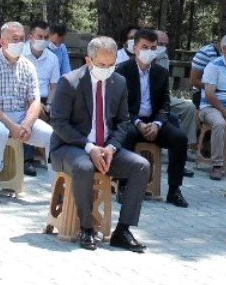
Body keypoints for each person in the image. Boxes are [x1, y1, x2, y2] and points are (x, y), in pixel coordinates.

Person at [49, 36, 152, 252]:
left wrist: (111, 148)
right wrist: (90, 148)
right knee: (84, 167)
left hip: (106, 148)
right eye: (101, 64)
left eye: (110, 64)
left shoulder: (119, 82)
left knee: (140, 166)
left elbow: (123, 121)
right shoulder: (70, 82)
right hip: (71, 147)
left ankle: (123, 230)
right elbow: (59, 123)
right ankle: (87, 228)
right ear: (88, 60)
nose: (106, 69)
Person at [0, 21, 54, 207]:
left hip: (21, 117)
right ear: (2, 41)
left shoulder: (28, 66)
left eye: (21, 39)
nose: (18, 43)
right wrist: (12, 126)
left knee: (51, 136)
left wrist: (26, 124)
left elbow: (35, 101)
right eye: (13, 39)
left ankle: (56, 188)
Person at [116, 28, 189, 207]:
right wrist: (138, 123)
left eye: (153, 47)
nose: (149, 51)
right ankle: (123, 186)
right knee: (128, 135)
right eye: (145, 47)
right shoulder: (123, 70)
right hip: (131, 120)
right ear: (135, 48)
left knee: (179, 139)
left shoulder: (161, 73)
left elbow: (165, 104)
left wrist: (157, 124)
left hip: (153, 122)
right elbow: (120, 106)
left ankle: (174, 190)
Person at [198, 33, 226, 180]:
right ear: (224, 49)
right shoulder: (213, 66)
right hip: (211, 107)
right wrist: (225, 112)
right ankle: (217, 165)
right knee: (220, 123)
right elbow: (210, 95)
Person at [23, 20, 61, 175]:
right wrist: (35, 105)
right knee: (30, 118)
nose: (43, 41)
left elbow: (54, 86)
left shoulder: (52, 58)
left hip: (46, 101)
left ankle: (57, 162)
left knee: (61, 121)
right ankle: (27, 161)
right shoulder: (20, 55)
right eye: (40, 36)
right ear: (31, 37)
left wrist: (50, 105)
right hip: (25, 100)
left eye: (46, 37)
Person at [155, 29, 197, 154]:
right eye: (160, 44)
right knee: (169, 117)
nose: (163, 47)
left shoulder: (164, 58)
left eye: (165, 45)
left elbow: (164, 85)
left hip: (163, 97)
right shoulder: (143, 57)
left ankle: (184, 147)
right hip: (147, 99)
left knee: (189, 107)